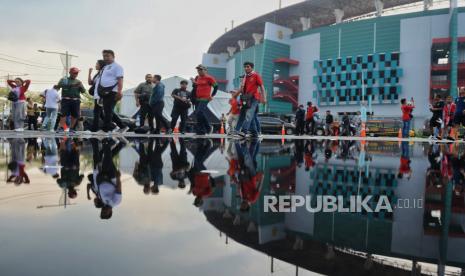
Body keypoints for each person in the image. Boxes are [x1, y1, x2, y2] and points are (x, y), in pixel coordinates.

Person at [234, 62, 267, 138]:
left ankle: (244, 131)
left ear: (252, 67)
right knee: (245, 115)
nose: (246, 68)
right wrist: (236, 95)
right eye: (245, 67)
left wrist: (264, 98)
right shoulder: (245, 77)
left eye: (248, 67)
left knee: (249, 114)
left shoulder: (256, 75)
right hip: (246, 98)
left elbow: (262, 87)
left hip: (254, 98)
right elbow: (242, 89)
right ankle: (255, 133)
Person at [99, 49, 128, 133]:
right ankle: (123, 126)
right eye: (104, 56)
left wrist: (119, 91)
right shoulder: (105, 67)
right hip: (104, 92)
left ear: (113, 56)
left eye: (108, 56)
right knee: (108, 110)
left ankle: (105, 129)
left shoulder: (117, 67)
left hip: (113, 91)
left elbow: (120, 79)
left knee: (108, 111)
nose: (106, 58)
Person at [56, 67, 85, 133]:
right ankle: (62, 128)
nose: (76, 74)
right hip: (66, 100)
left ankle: (71, 128)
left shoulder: (78, 81)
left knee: (75, 115)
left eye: (77, 73)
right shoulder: (64, 79)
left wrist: (80, 86)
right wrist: (69, 84)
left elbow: (83, 91)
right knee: (63, 114)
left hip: (76, 100)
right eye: (74, 73)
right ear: (70, 73)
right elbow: (58, 86)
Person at [192, 65, 218, 135]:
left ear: (205, 70)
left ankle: (208, 127)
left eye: (201, 70)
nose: (199, 71)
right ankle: (201, 130)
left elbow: (216, 87)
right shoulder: (198, 78)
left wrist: (212, 95)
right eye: (198, 70)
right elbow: (197, 86)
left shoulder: (209, 78)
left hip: (205, 98)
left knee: (199, 112)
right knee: (198, 114)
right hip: (198, 98)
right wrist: (194, 83)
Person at [88, 60, 106, 132]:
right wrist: (89, 73)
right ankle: (112, 126)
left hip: (100, 96)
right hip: (96, 95)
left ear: (101, 65)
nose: (95, 65)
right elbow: (90, 83)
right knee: (101, 114)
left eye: (97, 64)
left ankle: (94, 130)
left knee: (96, 113)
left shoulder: (103, 74)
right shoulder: (97, 74)